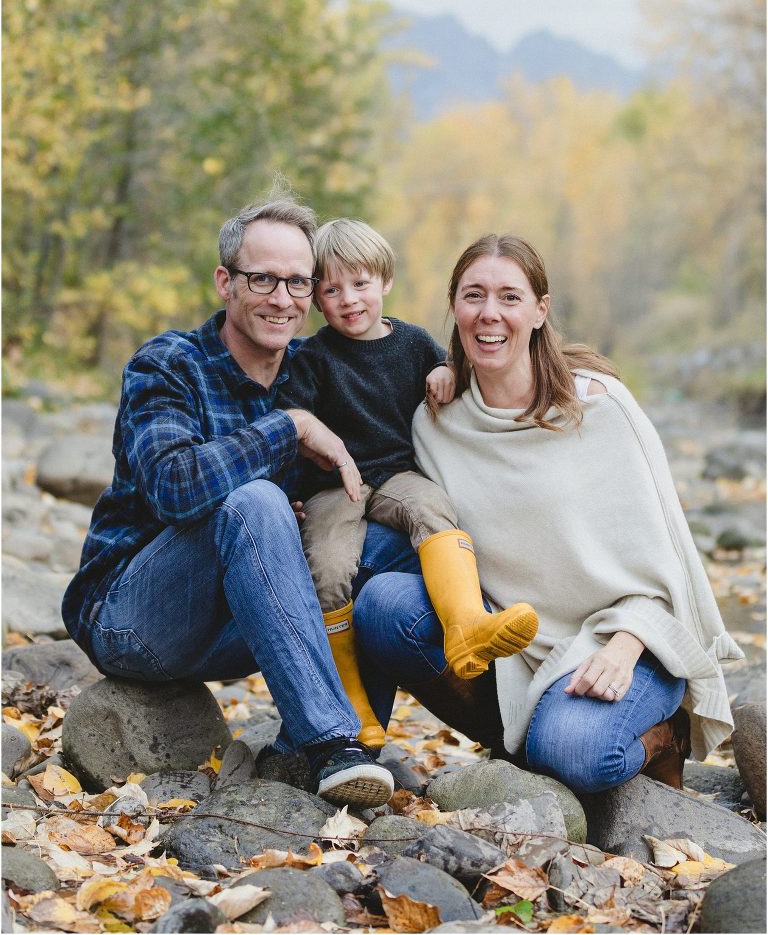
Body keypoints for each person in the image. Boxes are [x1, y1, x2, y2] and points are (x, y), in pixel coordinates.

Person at [354, 233, 743, 793]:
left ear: (540, 311)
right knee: (383, 606)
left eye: (510, 297)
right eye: (474, 295)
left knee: (574, 754)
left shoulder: (600, 408)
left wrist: (627, 645)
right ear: (454, 308)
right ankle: (518, 746)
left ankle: (666, 735)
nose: (490, 313)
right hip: (514, 645)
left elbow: (670, 567)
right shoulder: (436, 424)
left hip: (625, 639)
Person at [61, 192, 397, 809]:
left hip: (242, 617)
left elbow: (395, 404)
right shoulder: (168, 364)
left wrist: (456, 373)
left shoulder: (312, 370)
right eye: (262, 278)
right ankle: (331, 740)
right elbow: (175, 485)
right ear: (225, 281)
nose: (282, 298)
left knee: (381, 552)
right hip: (132, 617)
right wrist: (287, 429)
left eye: (299, 283)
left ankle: (349, 753)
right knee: (257, 502)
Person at [276, 219, 539, 750]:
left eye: (361, 283)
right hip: (335, 486)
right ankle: (350, 705)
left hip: (397, 474)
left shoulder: (414, 343)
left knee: (433, 506)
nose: (349, 300)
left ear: (385, 282)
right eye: (332, 289)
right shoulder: (312, 357)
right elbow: (290, 417)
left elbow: (456, 369)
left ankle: (465, 623)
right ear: (317, 301)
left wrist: (446, 373)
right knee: (326, 568)